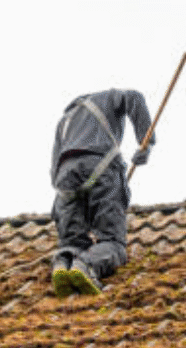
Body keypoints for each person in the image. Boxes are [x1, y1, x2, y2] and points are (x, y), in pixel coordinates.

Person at [49, 89, 154, 297]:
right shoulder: (108, 97)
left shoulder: (65, 121)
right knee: (113, 242)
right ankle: (86, 265)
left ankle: (63, 263)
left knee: (72, 242)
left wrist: (62, 210)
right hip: (101, 166)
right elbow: (134, 97)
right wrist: (146, 142)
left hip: (65, 179)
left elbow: (54, 172)